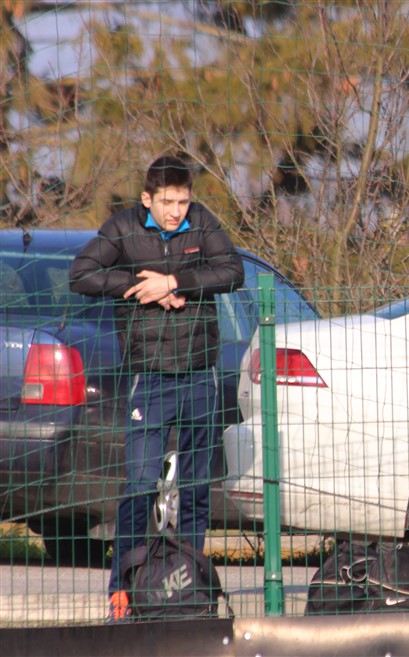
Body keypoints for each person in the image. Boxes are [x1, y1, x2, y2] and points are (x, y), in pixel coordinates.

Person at [70, 155, 244, 621]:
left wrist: (177, 280)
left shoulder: (201, 223)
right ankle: (121, 595)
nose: (176, 212)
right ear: (147, 198)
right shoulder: (124, 228)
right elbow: (81, 274)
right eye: (168, 202)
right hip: (149, 379)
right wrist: (137, 286)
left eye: (183, 201)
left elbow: (232, 270)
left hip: (199, 376)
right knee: (140, 487)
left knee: (195, 487)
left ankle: (184, 590)